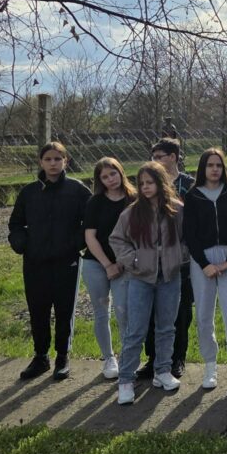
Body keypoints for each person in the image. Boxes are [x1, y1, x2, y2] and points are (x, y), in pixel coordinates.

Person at [9, 141, 91, 381]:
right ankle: (41, 357)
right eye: (48, 159)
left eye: (58, 159)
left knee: (64, 310)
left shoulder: (77, 190)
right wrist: (21, 243)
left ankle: (62, 357)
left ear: (66, 161)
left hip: (67, 262)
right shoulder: (29, 192)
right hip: (35, 262)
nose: (53, 163)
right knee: (38, 309)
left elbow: (90, 221)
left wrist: (75, 244)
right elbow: (16, 223)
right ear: (40, 162)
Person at [110, 162, 185, 405]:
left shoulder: (176, 209)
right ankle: (125, 379)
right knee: (136, 330)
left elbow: (187, 237)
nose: (145, 187)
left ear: (161, 183)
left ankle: (162, 371)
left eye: (150, 182)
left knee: (167, 327)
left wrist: (179, 256)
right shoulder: (131, 213)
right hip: (141, 279)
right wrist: (133, 260)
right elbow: (116, 239)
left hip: (170, 277)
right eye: (141, 183)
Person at [185, 148, 227, 392]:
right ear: (202, 168)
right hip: (202, 261)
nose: (215, 169)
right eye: (210, 165)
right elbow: (189, 234)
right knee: (204, 316)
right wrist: (205, 264)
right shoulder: (193, 196)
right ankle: (210, 366)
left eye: (219, 165)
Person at [137, 138, 195, 380]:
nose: (155, 161)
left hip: (180, 262)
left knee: (180, 311)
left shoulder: (189, 185)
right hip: (151, 263)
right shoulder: (148, 185)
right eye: (153, 157)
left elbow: (192, 224)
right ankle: (153, 358)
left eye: (159, 156)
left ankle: (177, 358)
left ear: (173, 157)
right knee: (152, 312)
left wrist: (182, 253)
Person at [81, 157, 137, 380]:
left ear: (121, 172)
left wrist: (120, 263)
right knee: (101, 310)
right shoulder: (95, 202)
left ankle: (127, 358)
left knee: (124, 311)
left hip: (124, 264)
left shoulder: (134, 199)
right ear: (100, 180)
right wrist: (107, 265)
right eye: (104, 177)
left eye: (113, 174)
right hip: (96, 263)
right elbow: (90, 237)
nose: (110, 179)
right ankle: (108, 358)